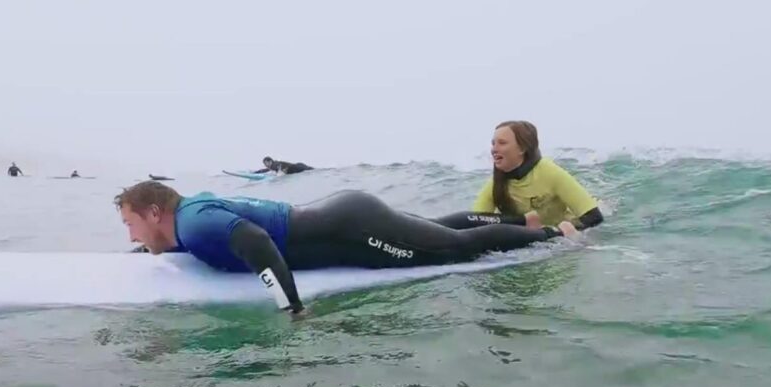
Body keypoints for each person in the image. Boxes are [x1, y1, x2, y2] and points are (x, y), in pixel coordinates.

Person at [115, 181, 578, 315]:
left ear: (155, 213)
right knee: (435, 228)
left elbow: (255, 243)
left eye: (132, 225)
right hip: (345, 214)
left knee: (454, 248)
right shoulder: (193, 217)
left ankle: (553, 236)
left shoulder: (195, 226)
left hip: (354, 231)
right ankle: (522, 220)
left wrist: (291, 309)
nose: (132, 235)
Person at [431, 120, 603, 232]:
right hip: (526, 233)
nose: (494, 149)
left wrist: (562, 229)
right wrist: (522, 222)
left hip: (559, 235)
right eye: (493, 143)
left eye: (502, 143)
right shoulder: (495, 184)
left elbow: (593, 216)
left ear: (522, 149)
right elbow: (475, 223)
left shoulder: (550, 173)